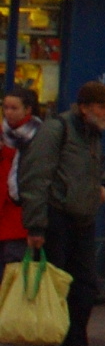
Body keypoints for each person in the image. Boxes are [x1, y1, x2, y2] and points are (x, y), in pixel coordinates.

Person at [17, 82, 105, 346]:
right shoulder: (57, 129)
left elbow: (96, 167)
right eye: (102, 106)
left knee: (84, 287)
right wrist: (35, 226)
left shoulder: (91, 133)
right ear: (84, 107)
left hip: (82, 218)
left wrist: (104, 183)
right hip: (56, 217)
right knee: (50, 287)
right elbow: (36, 176)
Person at [0, 86, 34, 266]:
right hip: (3, 212)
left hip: (19, 217)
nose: (8, 112)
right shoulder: (2, 134)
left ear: (27, 109)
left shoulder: (37, 136)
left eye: (14, 108)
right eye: (5, 108)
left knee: (14, 273)